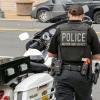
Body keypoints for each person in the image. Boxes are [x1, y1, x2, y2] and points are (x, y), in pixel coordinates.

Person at [45, 5, 100, 100]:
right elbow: (97, 56)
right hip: (83, 75)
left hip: (63, 74)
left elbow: (51, 55)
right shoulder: (89, 30)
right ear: (82, 15)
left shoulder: (60, 30)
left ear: (68, 14)